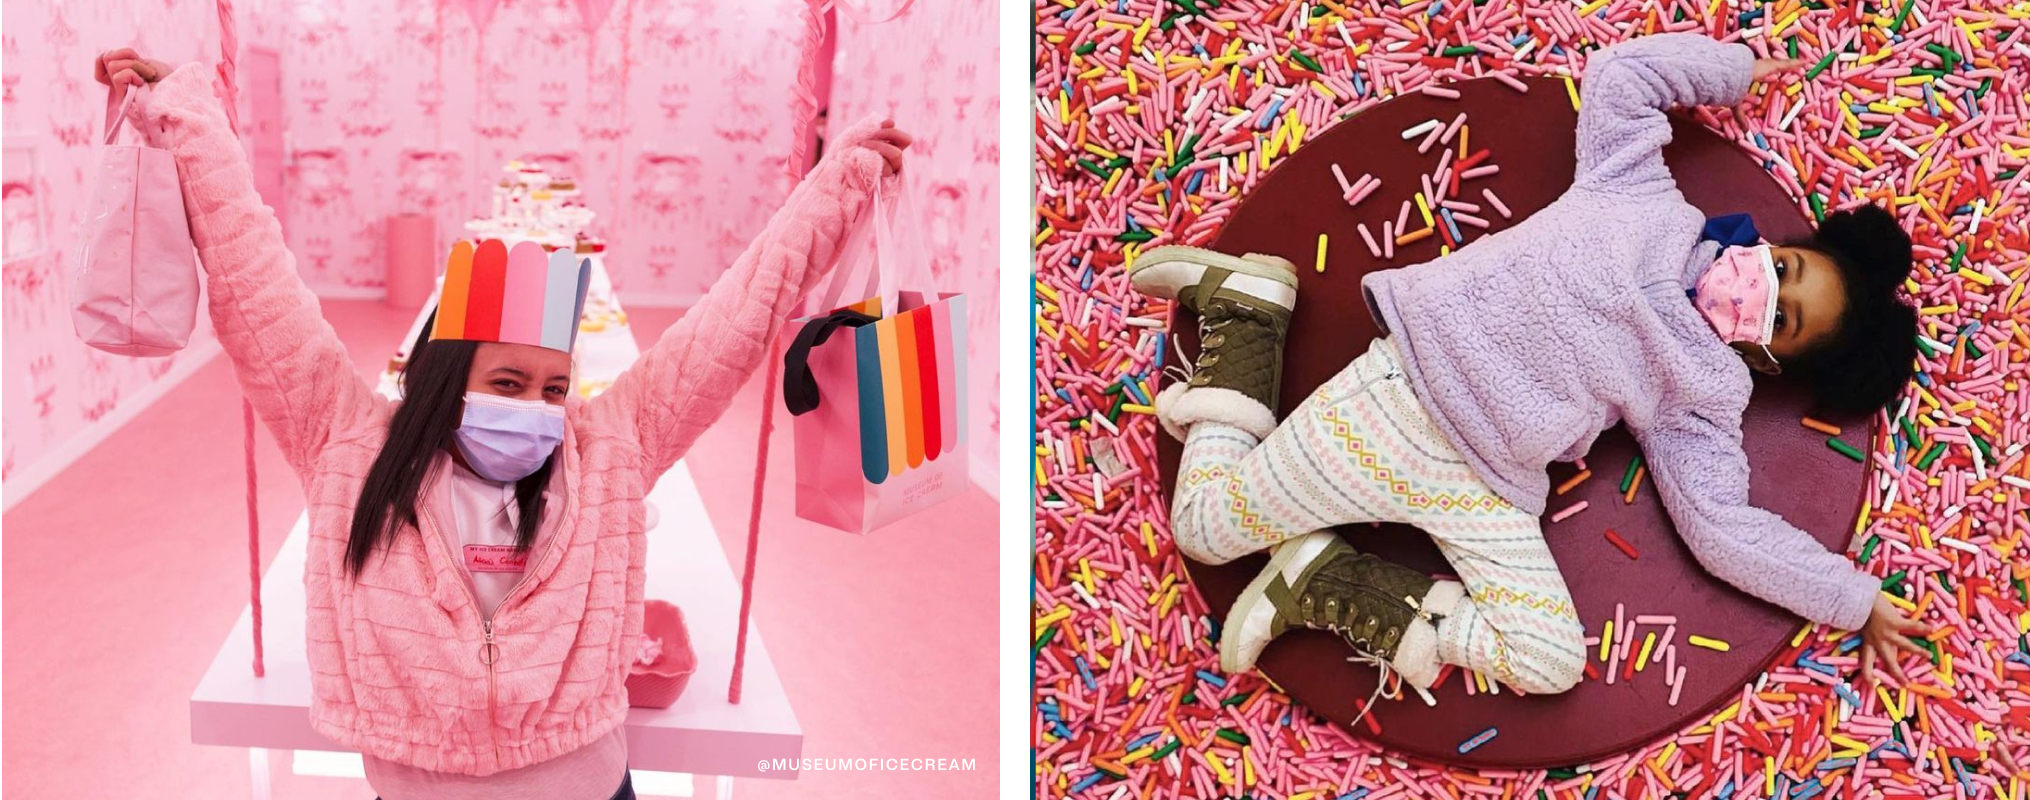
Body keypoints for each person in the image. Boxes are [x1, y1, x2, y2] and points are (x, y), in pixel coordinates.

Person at [94, 48, 909, 799]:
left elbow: (735, 322)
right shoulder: (348, 447)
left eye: (554, 389)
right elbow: (255, 284)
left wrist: (838, 185)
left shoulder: (610, 454)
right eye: (508, 381)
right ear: (446, 381)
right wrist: (186, 114)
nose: (533, 408)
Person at [1127, 32, 1929, 710]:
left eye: (1782, 319)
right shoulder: (1641, 194)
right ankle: (1248, 315)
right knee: (1202, 529)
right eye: (1784, 267)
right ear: (1774, 244)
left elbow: (1723, 531)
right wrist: (1729, 69)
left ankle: (1329, 580)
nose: (1762, 288)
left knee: (1548, 662)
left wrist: (1851, 601)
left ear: (1772, 359)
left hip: (1484, 489)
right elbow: (1623, 76)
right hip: (1400, 403)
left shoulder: (1703, 394)